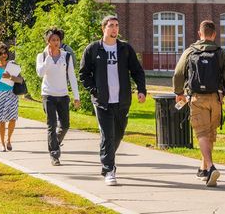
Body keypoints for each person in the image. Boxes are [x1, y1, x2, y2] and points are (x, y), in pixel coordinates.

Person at [79, 15, 146, 186]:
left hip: (122, 100)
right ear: (103, 28)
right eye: (111, 25)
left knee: (119, 134)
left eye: (116, 25)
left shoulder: (125, 49)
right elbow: (84, 74)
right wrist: (94, 90)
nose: (114, 29)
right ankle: (109, 169)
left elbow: (137, 71)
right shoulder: (93, 49)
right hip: (102, 101)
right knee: (108, 135)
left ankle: (106, 160)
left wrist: (141, 90)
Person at [173, 20, 225, 187]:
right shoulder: (221, 53)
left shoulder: (190, 51)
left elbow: (178, 73)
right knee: (210, 133)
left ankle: (210, 167)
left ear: (199, 34)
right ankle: (203, 168)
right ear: (214, 34)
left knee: (201, 133)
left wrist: (178, 93)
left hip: (197, 98)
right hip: (216, 98)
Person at [36, 27, 81, 166]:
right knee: (51, 125)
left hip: (63, 95)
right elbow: (40, 73)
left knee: (65, 125)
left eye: (58, 40)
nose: (56, 42)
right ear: (48, 41)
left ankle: (54, 141)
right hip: (48, 95)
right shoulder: (42, 56)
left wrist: (76, 96)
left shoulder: (66, 56)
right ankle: (54, 154)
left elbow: (72, 77)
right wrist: (49, 57)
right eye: (53, 40)